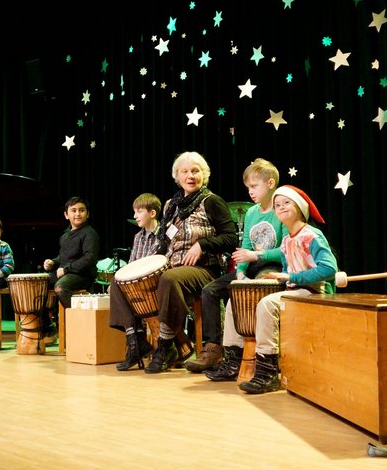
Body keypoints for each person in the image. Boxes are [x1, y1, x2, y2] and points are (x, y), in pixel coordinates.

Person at [112, 151, 238, 374]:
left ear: (204, 175)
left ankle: (165, 346)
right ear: (177, 176)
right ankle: (136, 341)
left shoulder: (212, 202)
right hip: (172, 265)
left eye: (195, 171)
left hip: (203, 269)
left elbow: (231, 238)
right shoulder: (172, 204)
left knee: (170, 279)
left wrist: (202, 245)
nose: (190, 176)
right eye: (185, 171)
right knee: (119, 280)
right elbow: (164, 241)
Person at [213, 184, 338, 394]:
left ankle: (267, 370)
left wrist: (291, 276)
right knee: (236, 299)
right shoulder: (288, 239)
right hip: (295, 290)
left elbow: (329, 268)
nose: (280, 208)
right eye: (277, 205)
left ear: (300, 207)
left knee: (267, 304)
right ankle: (233, 359)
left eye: (286, 203)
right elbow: (283, 266)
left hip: (314, 292)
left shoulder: (311, 235)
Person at [187, 157, 287, 376]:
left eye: (254, 186)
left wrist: (255, 255)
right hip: (250, 266)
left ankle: (260, 359)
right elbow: (244, 248)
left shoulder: (283, 208)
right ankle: (218, 350)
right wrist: (240, 273)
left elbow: (287, 250)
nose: (250, 191)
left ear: (270, 184)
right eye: (248, 187)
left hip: (272, 267)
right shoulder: (251, 213)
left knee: (244, 294)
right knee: (210, 291)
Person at [113, 192, 163, 371]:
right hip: (137, 285)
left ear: (152, 213)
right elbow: (132, 266)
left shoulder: (163, 235)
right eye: (134, 212)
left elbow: (156, 264)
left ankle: (137, 344)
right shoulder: (138, 237)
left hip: (153, 285)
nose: (134, 216)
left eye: (139, 211)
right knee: (116, 282)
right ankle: (136, 340)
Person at [42, 196, 100, 332]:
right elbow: (63, 257)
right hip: (68, 273)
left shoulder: (89, 233)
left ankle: (79, 325)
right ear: (66, 215)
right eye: (73, 210)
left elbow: (89, 258)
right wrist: (53, 262)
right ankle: (47, 326)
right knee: (38, 285)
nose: (77, 214)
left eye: (81, 210)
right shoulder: (65, 235)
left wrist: (66, 270)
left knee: (61, 287)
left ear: (88, 214)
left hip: (83, 275)